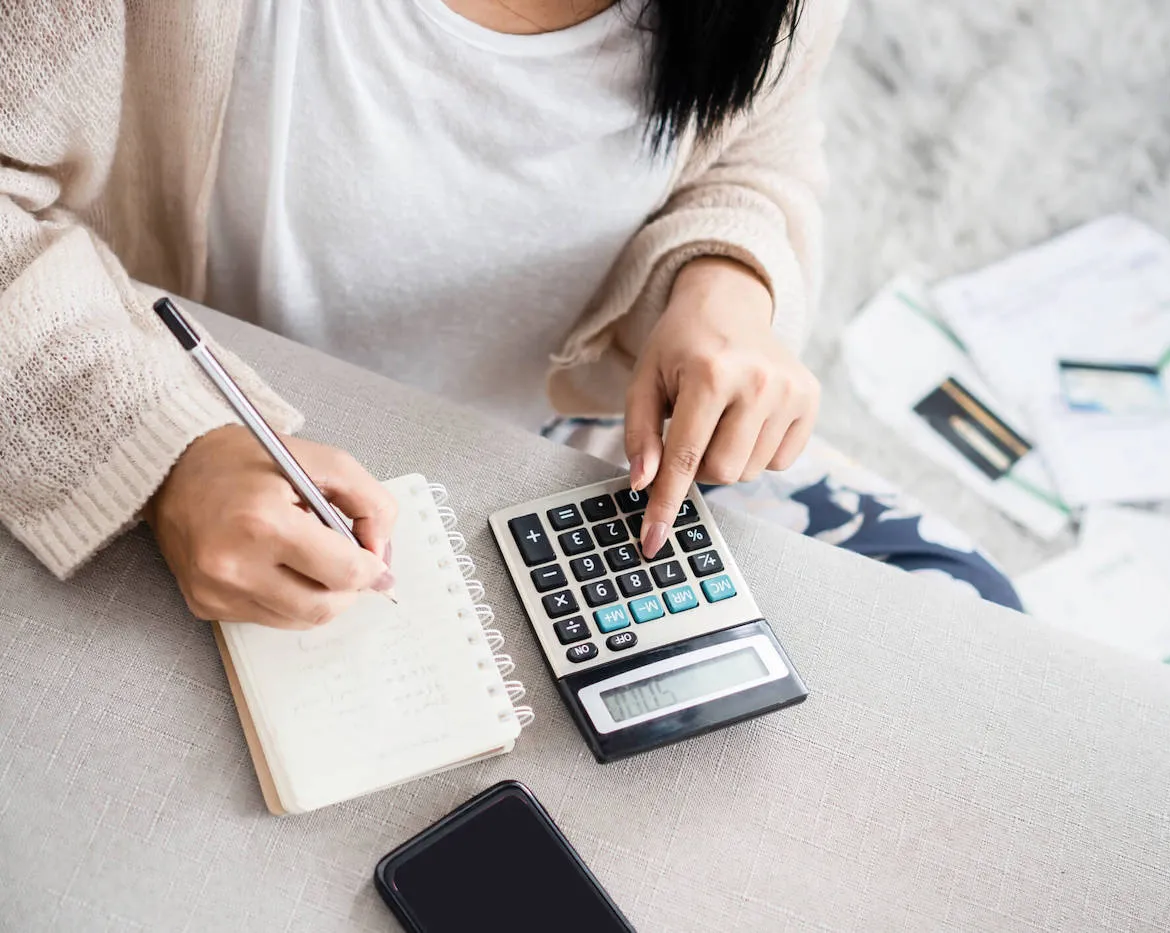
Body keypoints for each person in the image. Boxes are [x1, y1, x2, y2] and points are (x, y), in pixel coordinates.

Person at [1, 0, 1017, 630]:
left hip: (552, 435)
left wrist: (725, 284)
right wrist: (169, 453)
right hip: (195, 426)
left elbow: (759, 148)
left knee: (963, 611)